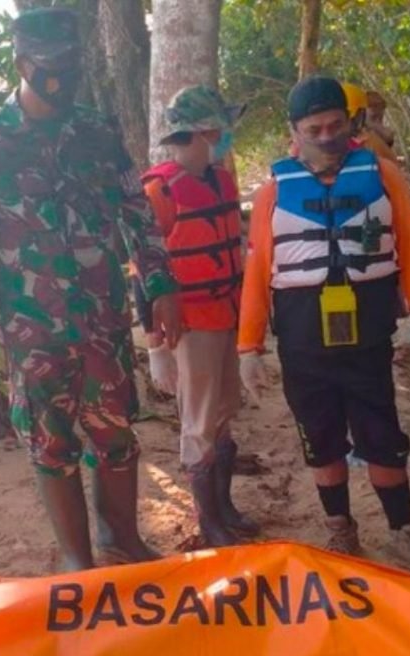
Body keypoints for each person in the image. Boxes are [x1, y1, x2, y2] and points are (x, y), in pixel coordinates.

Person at [0, 7, 180, 571]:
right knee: (51, 447)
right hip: (34, 330)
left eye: (73, 65)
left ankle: (120, 538)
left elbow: (136, 211)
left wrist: (160, 284)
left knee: (116, 434)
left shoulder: (96, 132)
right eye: (53, 67)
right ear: (22, 63)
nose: (66, 78)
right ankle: (80, 560)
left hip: (103, 319)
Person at [238, 75, 410, 571]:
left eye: (336, 126)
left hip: (369, 329)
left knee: (382, 434)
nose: (328, 137)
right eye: (315, 129)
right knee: (320, 435)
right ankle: (340, 531)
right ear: (295, 130)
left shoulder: (384, 174)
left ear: (350, 123)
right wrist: (249, 346)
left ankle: (403, 532)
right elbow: (258, 269)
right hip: (302, 334)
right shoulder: (272, 190)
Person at [141, 84, 256, 548]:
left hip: (226, 311)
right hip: (191, 323)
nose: (226, 135)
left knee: (224, 412)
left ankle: (224, 509)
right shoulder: (160, 189)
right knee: (199, 421)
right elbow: (143, 272)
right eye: (220, 128)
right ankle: (208, 524)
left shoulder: (220, 178)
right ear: (203, 131)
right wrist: (154, 346)